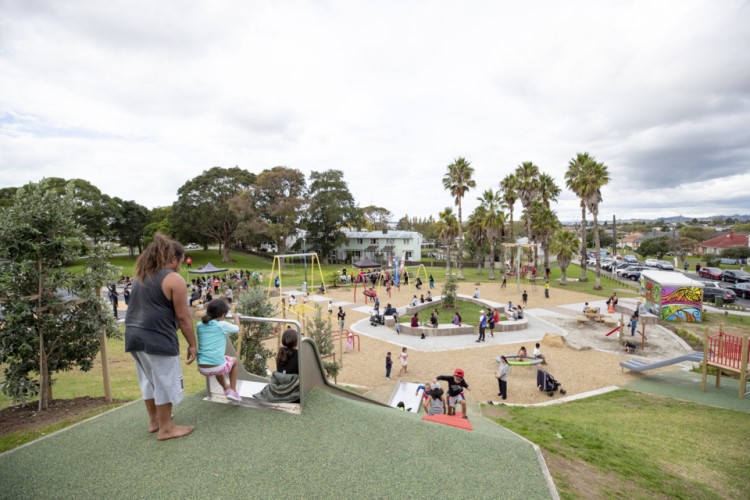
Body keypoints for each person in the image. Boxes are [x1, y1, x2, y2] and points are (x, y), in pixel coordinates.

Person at [124, 233, 197, 440]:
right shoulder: (174, 279)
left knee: (148, 379)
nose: (180, 267)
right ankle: (166, 428)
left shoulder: (141, 276)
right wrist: (192, 345)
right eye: (180, 262)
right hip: (157, 337)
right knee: (165, 380)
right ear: (173, 259)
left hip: (133, 335)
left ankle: (155, 420)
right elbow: (183, 317)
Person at [196, 299, 241, 402]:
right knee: (234, 361)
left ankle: (226, 388)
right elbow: (236, 328)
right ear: (223, 315)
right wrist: (236, 317)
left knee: (218, 360)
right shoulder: (222, 325)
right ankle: (232, 391)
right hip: (216, 365)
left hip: (202, 367)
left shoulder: (199, 325)